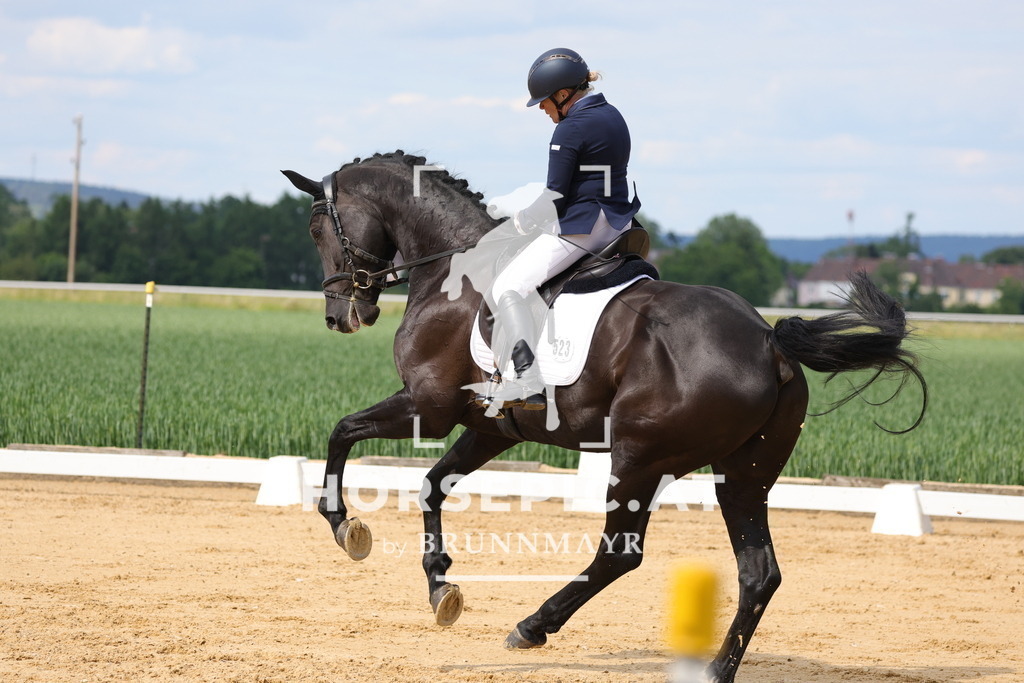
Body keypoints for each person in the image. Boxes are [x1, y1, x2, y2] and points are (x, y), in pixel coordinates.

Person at [480, 47, 642, 410]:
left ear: (563, 94)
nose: (541, 108)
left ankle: (526, 377)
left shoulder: (570, 128)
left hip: (583, 227)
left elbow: (554, 195)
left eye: (544, 101)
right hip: (619, 222)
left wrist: (520, 221)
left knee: (508, 285)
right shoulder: (612, 115)